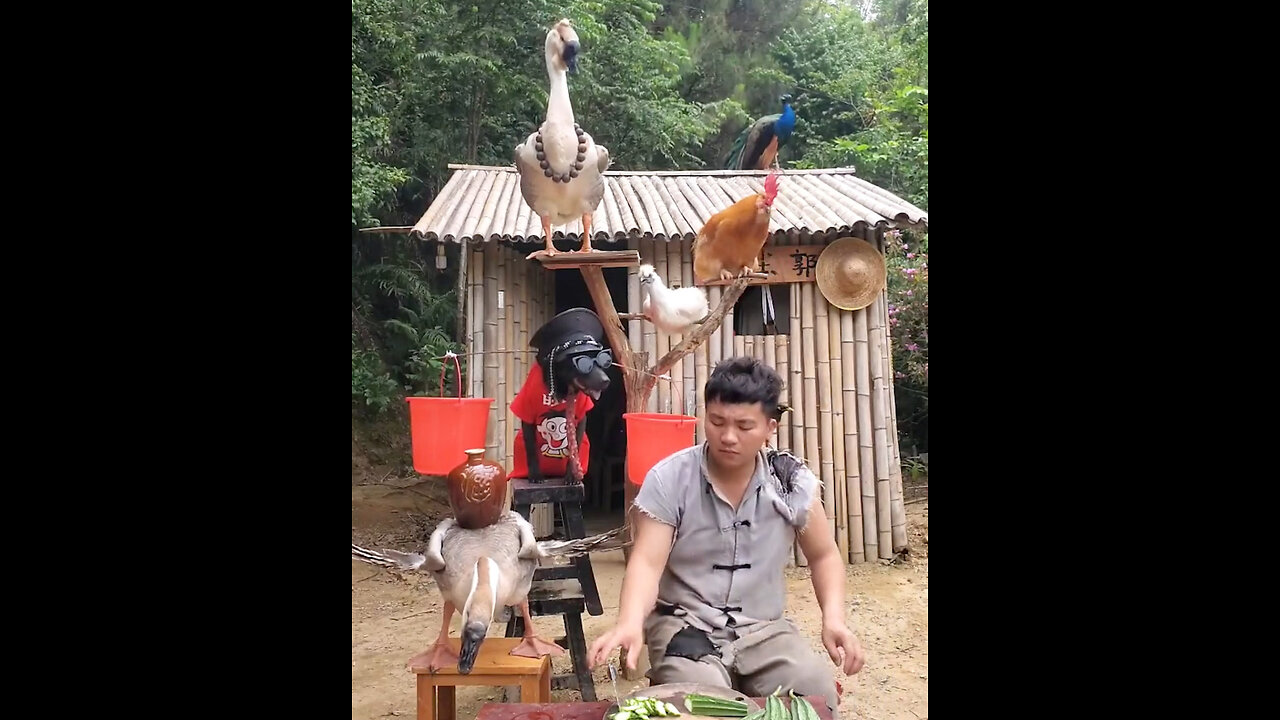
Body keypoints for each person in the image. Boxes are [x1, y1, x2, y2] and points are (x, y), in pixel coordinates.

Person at [588, 357, 865, 718]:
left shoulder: (791, 481)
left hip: (765, 629)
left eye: (744, 426)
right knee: (703, 706)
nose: (728, 436)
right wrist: (628, 622)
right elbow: (646, 562)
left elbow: (824, 555)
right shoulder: (670, 478)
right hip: (685, 625)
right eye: (716, 422)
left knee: (816, 694)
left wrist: (834, 619)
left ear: (770, 427)